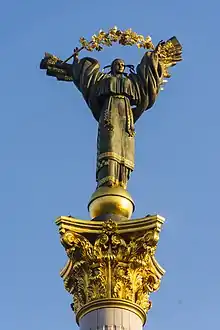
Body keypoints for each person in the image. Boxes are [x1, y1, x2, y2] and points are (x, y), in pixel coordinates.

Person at [71, 46, 164, 189]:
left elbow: (147, 78)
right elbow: (86, 77)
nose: (120, 66)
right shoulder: (103, 79)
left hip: (126, 115)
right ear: (112, 66)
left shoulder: (132, 81)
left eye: (122, 65)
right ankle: (107, 178)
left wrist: (154, 56)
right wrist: (76, 61)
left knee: (124, 146)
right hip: (110, 111)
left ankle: (121, 180)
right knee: (109, 142)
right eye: (117, 64)